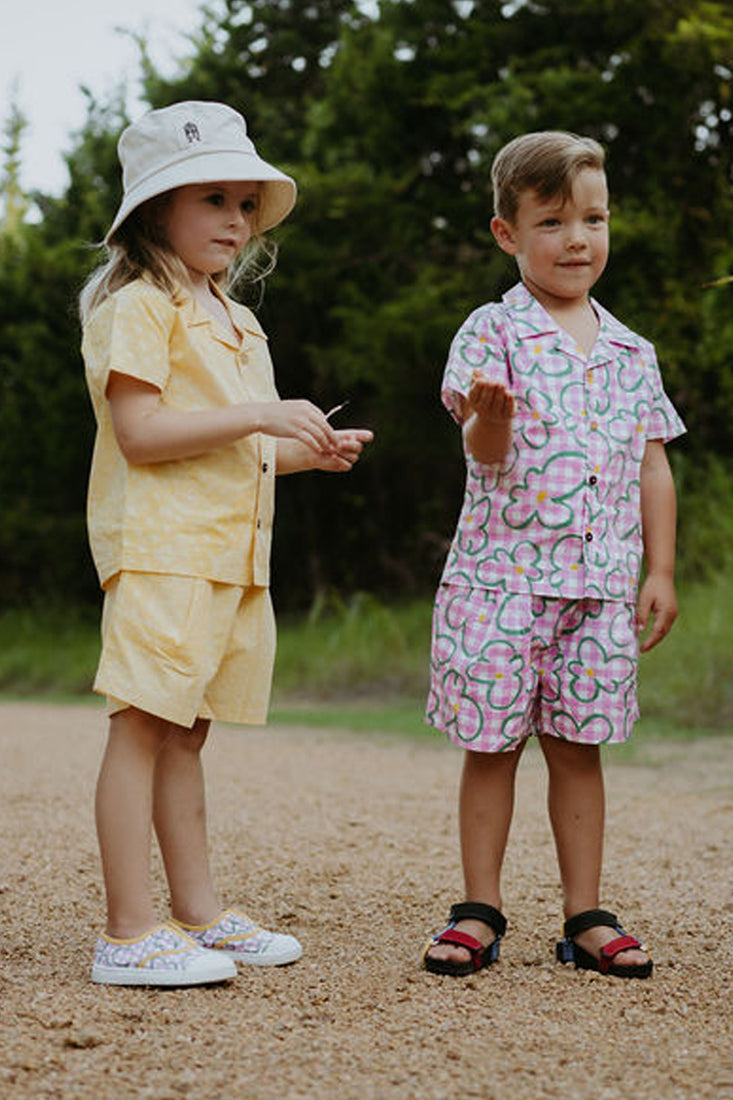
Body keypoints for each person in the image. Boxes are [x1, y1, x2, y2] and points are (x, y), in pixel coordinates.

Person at [79, 101, 373, 986]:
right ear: (156, 210)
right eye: (213, 199)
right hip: (165, 552)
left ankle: (196, 914)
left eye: (246, 204)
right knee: (140, 729)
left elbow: (238, 453)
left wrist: (305, 455)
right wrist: (261, 414)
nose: (237, 222)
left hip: (230, 560)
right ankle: (126, 932)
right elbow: (141, 433)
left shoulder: (238, 322)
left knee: (187, 735)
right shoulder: (138, 306)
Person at [422, 131, 684, 979]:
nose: (578, 239)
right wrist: (490, 415)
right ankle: (478, 908)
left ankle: (587, 915)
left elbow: (654, 463)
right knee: (492, 746)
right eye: (553, 222)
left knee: (580, 747)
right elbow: (484, 451)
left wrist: (662, 570)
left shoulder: (630, 351)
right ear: (507, 233)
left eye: (594, 219)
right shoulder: (492, 331)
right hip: (500, 582)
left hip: (601, 588)